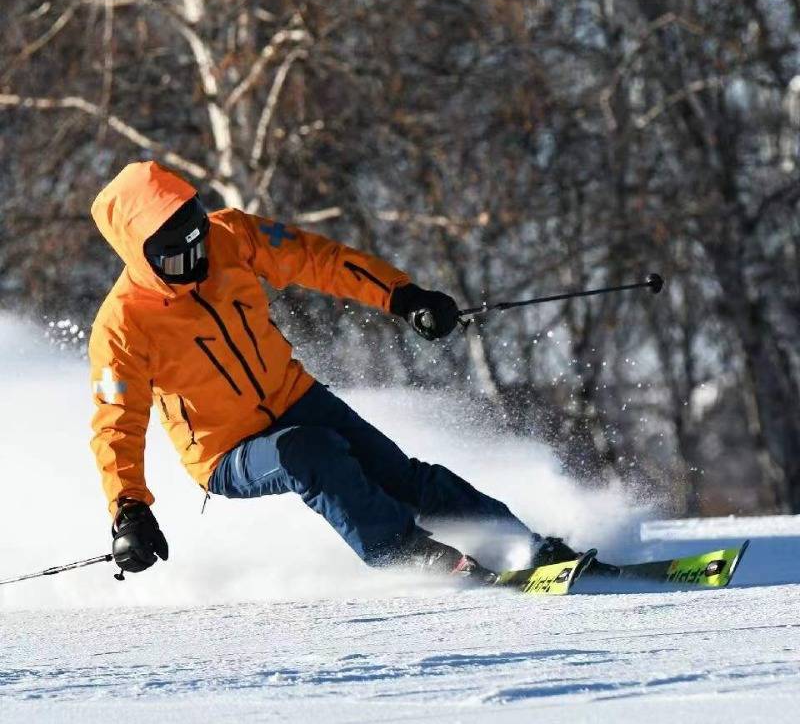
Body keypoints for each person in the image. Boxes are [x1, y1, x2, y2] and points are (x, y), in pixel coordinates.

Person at [89, 161, 577, 583]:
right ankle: (405, 554)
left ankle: (524, 547)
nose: (196, 262)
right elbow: (117, 426)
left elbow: (318, 259)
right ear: (141, 256)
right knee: (310, 452)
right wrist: (128, 510)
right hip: (224, 450)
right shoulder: (122, 326)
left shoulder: (231, 235)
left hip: (294, 396)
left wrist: (403, 297)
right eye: (178, 258)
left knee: (402, 477)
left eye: (200, 243)